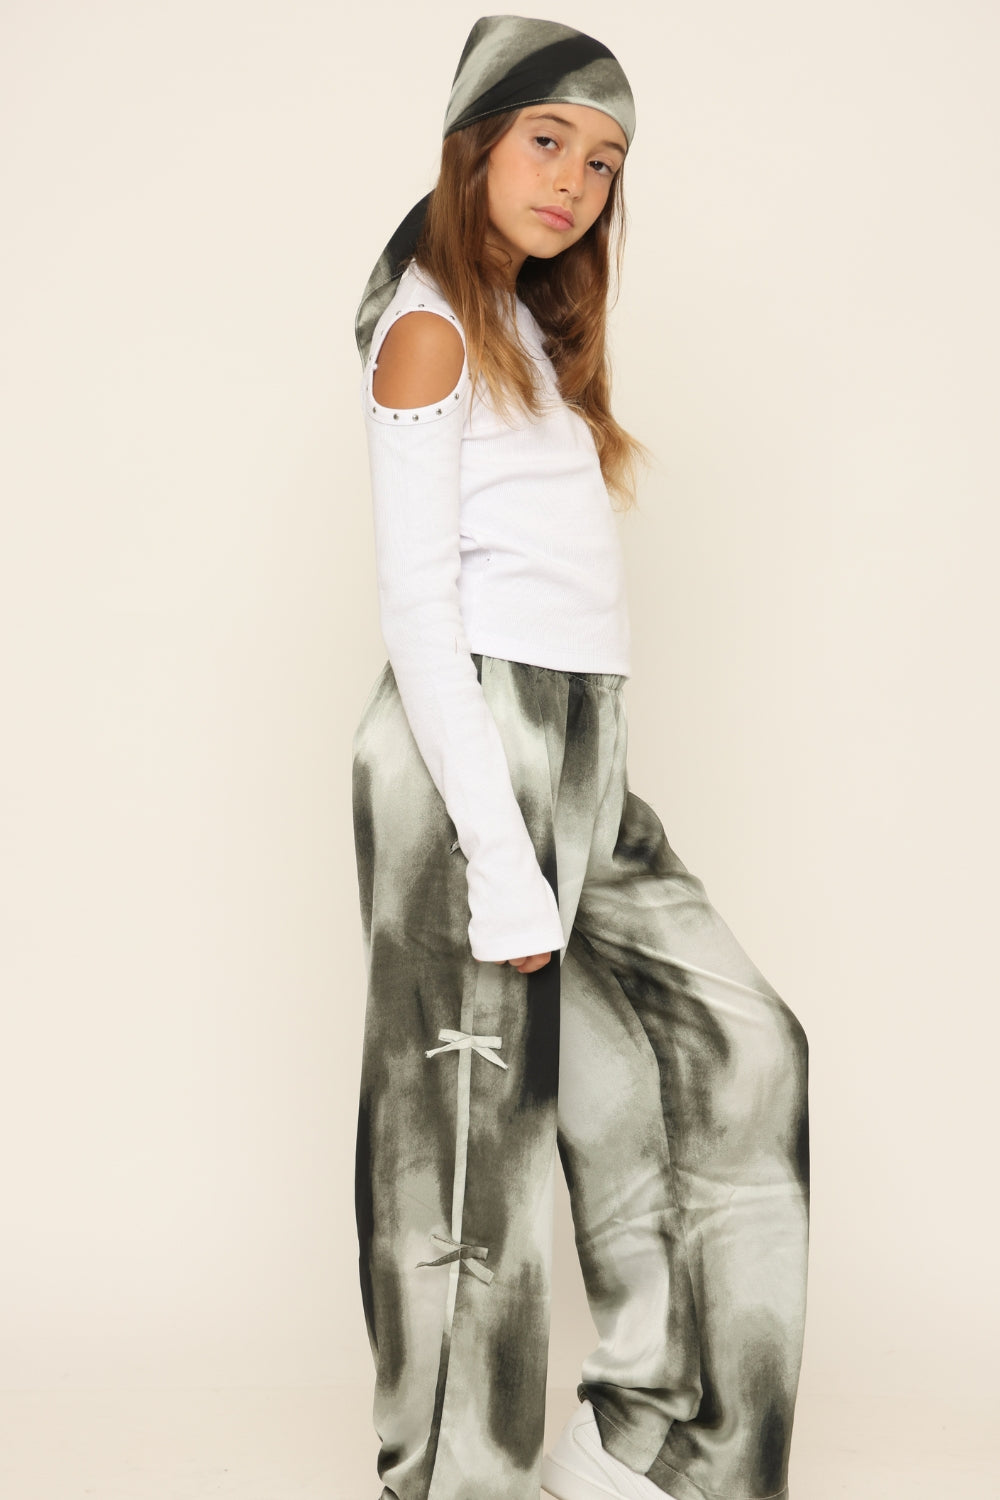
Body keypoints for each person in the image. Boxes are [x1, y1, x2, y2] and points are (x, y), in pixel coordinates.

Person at [350, 16, 810, 1500]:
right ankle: (448, 1483)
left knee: (732, 1050)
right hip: (471, 760)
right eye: (548, 140)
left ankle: (648, 1442)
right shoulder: (428, 326)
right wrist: (497, 854)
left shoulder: (532, 338)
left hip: (579, 759)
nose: (575, 180)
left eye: (605, 161)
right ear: (476, 144)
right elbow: (421, 613)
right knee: (465, 1147)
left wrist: (579, 799)